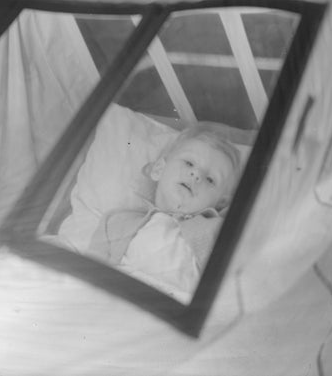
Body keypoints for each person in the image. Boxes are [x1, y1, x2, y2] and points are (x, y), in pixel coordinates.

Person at [87, 123, 242, 296]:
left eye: (211, 179)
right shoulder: (116, 222)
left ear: (219, 204)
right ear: (158, 169)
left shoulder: (215, 232)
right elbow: (88, 275)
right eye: (189, 163)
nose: (196, 175)